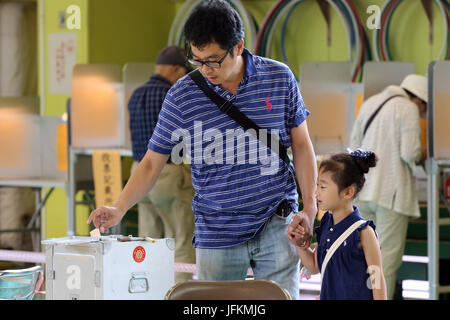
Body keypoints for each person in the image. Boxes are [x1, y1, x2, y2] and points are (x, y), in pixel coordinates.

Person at [88, 0, 317, 300]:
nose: (205, 69)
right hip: (216, 230)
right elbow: (150, 163)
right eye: (196, 60)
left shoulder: (279, 78)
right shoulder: (182, 95)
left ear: (238, 46)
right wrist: (119, 207)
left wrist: (310, 207)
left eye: (213, 60)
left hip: (276, 222)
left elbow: (301, 145)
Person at [349, 74, 427, 299]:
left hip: (364, 192)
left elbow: (354, 147)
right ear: (419, 100)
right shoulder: (408, 108)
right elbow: (409, 152)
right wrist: (425, 152)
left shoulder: (370, 103)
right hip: (391, 195)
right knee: (385, 263)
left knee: (364, 260)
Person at [128, 46, 195, 283]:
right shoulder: (172, 95)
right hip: (167, 175)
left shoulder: (136, 94)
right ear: (175, 69)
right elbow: (185, 137)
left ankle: (147, 290)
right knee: (180, 239)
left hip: (138, 175)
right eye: (184, 72)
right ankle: (180, 294)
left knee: (149, 242)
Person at [288, 150, 387, 300]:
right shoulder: (326, 223)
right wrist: (298, 244)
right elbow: (314, 266)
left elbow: (377, 281)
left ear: (348, 192)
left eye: (323, 187)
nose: (316, 193)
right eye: (317, 185)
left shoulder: (364, 232)